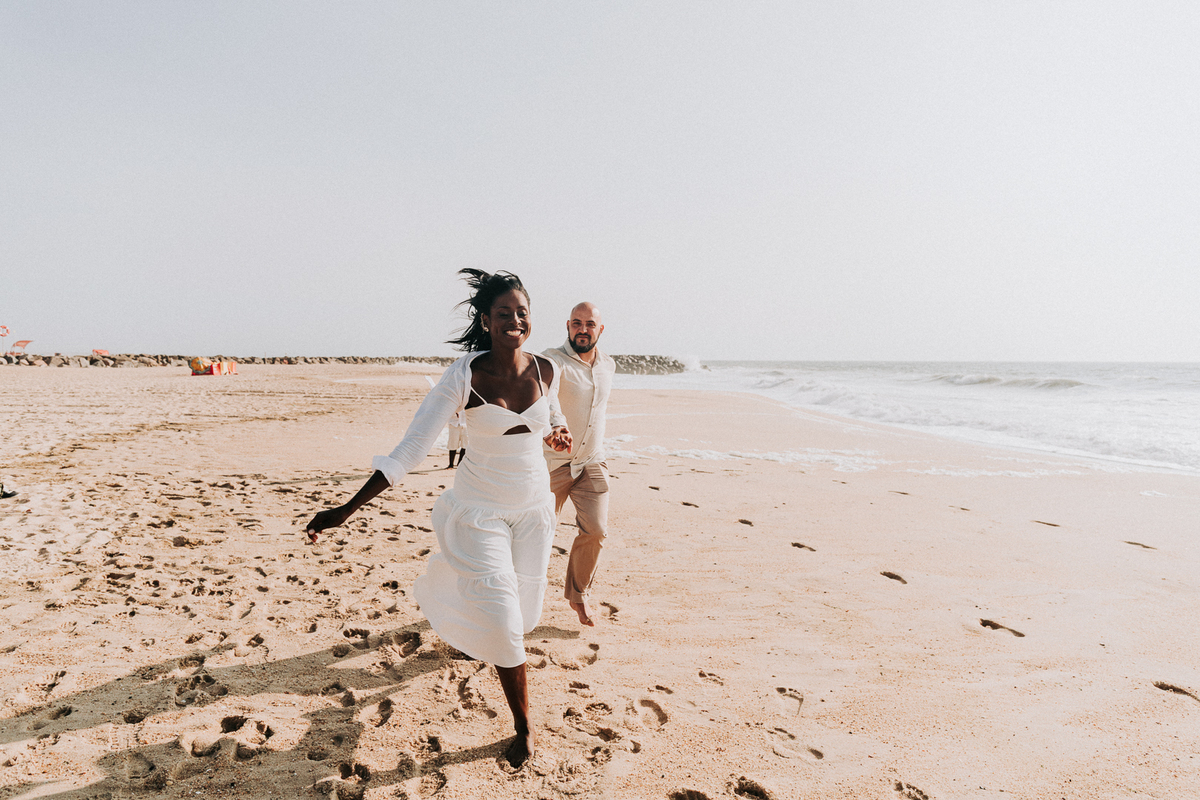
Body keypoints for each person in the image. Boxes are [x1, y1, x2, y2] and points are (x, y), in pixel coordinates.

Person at [305, 269, 571, 769]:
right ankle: (524, 726)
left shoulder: (546, 370)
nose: (515, 321)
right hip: (479, 511)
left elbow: (553, 418)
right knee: (505, 619)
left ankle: (479, 637)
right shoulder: (463, 376)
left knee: (522, 610)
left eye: (522, 313)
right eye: (504, 313)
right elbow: (411, 448)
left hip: (534, 510)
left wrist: (558, 431)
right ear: (486, 321)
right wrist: (347, 509)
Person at [542, 302, 616, 627]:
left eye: (589, 324)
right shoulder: (552, 360)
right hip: (554, 463)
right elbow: (548, 398)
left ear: (600, 329)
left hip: (592, 460)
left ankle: (578, 594)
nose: (582, 329)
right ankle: (512, 595)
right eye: (576, 323)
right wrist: (557, 424)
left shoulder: (608, 365)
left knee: (596, 531)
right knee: (537, 533)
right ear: (568, 325)